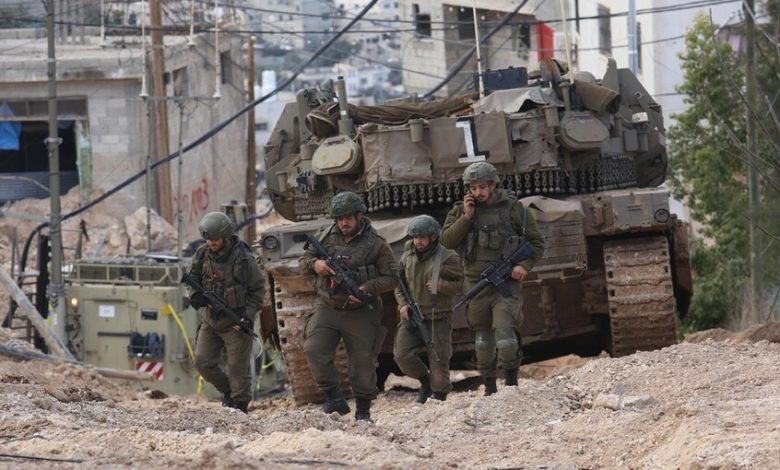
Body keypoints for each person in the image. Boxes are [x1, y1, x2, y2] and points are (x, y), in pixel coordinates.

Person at [440, 162, 544, 396]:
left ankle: (511, 385)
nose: (478, 193)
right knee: (483, 341)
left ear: (493, 185)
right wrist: (466, 217)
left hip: (505, 284)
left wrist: (524, 265)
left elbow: (537, 243)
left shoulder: (514, 209)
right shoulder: (460, 211)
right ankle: (489, 388)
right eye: (473, 188)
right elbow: (446, 242)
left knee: (505, 337)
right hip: (476, 284)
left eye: (482, 187)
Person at [299, 191, 398, 421]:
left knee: (362, 363)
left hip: (361, 311)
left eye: (348, 218)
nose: (344, 223)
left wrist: (367, 288)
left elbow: (393, 278)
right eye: (339, 219)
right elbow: (303, 261)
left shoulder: (376, 244)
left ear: (359, 216)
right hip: (328, 306)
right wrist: (315, 264)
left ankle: (363, 411)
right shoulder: (325, 237)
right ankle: (334, 398)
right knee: (313, 348)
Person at [187, 211, 264, 413]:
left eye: (215, 239)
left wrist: (247, 316)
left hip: (235, 322)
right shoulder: (202, 254)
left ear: (226, 236)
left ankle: (240, 406)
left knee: (238, 369)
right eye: (208, 239)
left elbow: (257, 290)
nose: (211, 243)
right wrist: (196, 296)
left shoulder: (243, 259)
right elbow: (192, 279)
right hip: (211, 320)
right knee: (202, 362)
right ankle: (228, 392)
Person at [393, 215, 462, 403]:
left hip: (437, 317)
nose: (418, 241)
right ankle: (425, 382)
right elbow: (399, 284)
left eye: (422, 237)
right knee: (402, 355)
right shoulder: (407, 256)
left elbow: (462, 285)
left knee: (438, 360)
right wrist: (403, 304)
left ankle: (439, 397)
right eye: (415, 237)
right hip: (412, 316)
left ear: (433, 237)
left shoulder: (448, 258)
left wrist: (442, 285)